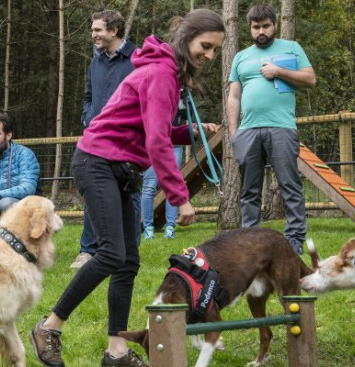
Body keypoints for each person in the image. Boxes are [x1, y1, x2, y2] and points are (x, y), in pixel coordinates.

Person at [30, 9, 224, 367]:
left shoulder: (166, 73)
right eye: (206, 46)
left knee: (127, 261)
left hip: (119, 166)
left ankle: (116, 351)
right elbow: (156, 143)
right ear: (186, 40)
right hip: (97, 161)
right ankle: (49, 326)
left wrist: (190, 131)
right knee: (110, 254)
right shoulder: (162, 74)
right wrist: (180, 198)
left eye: (215, 50)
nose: (210, 56)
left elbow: (154, 130)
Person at [226, 3, 316, 254]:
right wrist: (234, 132)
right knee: (249, 190)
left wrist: (278, 71)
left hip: (282, 127)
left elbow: (310, 79)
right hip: (248, 131)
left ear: (274, 25)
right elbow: (234, 96)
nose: (261, 31)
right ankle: (249, 241)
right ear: (250, 29)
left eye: (265, 26)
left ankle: (294, 240)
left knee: (290, 185)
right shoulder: (241, 56)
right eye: (256, 27)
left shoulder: (292, 48)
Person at [71, 9, 138, 269]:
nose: (93, 35)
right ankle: (87, 251)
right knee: (95, 193)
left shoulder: (137, 58)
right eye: (93, 30)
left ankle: (130, 251)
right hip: (96, 141)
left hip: (126, 142)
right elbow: (88, 96)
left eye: (98, 30)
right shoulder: (95, 61)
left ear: (114, 30)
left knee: (128, 193)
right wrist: (88, 119)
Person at [141, 93, 185, 240]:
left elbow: (186, 113)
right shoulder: (153, 88)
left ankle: (170, 227)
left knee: (171, 186)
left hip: (175, 143)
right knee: (149, 186)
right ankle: (148, 228)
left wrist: (184, 99)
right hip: (154, 142)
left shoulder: (178, 92)